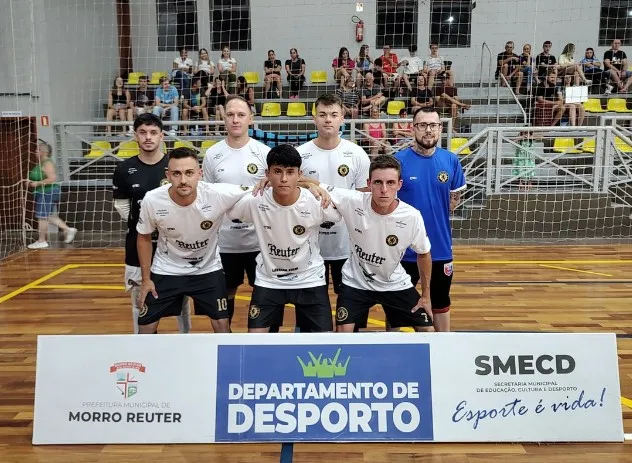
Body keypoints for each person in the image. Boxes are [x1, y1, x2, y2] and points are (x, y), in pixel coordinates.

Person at [136, 147, 251, 334]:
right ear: (167, 175)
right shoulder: (153, 199)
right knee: (145, 327)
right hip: (167, 268)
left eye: (189, 173)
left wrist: (301, 184)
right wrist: (146, 279)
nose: (183, 180)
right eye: (176, 174)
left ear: (200, 174)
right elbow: (143, 236)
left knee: (222, 325)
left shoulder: (218, 194)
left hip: (207, 268)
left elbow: (261, 189)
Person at [229, 144, 339, 333]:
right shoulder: (255, 201)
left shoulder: (317, 202)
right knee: (255, 340)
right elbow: (227, 204)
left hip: (309, 278)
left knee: (324, 340)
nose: (284, 179)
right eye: (277, 172)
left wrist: (313, 185)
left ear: (300, 174)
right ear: (267, 174)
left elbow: (348, 203)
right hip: (269, 280)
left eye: (290, 172)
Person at [319, 155, 433, 333]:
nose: (384, 190)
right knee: (343, 332)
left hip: (394, 283)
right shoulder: (353, 201)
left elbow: (424, 253)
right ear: (369, 183)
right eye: (378, 182)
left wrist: (426, 296)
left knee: (428, 331)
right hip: (355, 283)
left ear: (399, 185)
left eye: (390, 183)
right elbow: (311, 183)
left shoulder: (411, 216)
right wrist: (310, 185)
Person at [112, 113, 190, 334]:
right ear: (135, 135)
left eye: (153, 132)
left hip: (174, 245)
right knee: (140, 300)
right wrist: (145, 226)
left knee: (181, 299)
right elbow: (123, 208)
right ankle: (143, 343)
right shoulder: (124, 169)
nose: (148, 137)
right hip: (138, 245)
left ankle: (185, 337)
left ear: (162, 136)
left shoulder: (175, 166)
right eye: (143, 132)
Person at [395, 107, 466, 332]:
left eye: (433, 125)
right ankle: (392, 350)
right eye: (423, 125)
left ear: (440, 128)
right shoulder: (398, 161)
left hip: (440, 248)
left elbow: (453, 200)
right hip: (404, 250)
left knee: (441, 302)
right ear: (413, 128)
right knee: (396, 306)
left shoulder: (451, 160)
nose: (428, 130)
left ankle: (443, 349)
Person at [202, 95, 270, 329]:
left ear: (251, 119)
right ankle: (225, 338)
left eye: (241, 115)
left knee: (263, 292)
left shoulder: (263, 153)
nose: (235, 119)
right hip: (225, 242)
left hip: (259, 241)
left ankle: (259, 340)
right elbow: (208, 197)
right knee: (225, 292)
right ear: (224, 118)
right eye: (230, 114)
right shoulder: (212, 154)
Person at [297, 94, 370, 295]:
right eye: (322, 114)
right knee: (313, 300)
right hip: (310, 242)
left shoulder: (357, 154)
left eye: (333, 115)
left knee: (347, 298)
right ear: (314, 119)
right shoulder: (300, 154)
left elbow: (363, 199)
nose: (328, 119)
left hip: (347, 243)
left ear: (342, 118)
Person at [27, 140, 77, 249]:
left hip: (47, 192)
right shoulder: (40, 163)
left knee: (42, 217)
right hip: (43, 192)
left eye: (38, 149)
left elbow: (52, 178)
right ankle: (68, 230)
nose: (35, 151)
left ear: (44, 152)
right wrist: (30, 182)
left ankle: (42, 241)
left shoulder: (48, 163)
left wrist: (37, 183)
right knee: (49, 216)